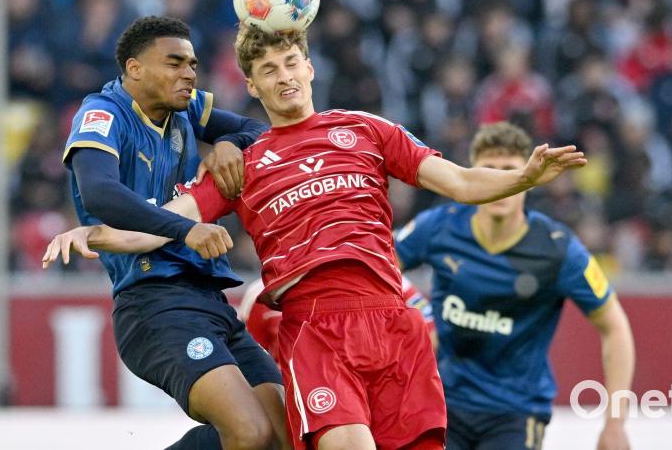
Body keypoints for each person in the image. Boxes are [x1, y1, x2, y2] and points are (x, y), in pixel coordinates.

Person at [45, 24, 586, 450]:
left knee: (273, 436)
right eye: (266, 70)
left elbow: (462, 182)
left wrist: (523, 178)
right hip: (317, 331)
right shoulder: (244, 166)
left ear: (309, 67)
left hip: (395, 324)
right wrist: (94, 234)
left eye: (289, 63)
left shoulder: (369, 130)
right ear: (252, 86)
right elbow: (166, 223)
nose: (283, 77)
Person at [61, 16, 288, 450]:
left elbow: (258, 132)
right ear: (134, 68)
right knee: (249, 433)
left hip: (210, 302)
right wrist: (186, 230)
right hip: (153, 304)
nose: (188, 74)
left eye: (193, 65)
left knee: (285, 438)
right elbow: (100, 193)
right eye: (175, 63)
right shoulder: (103, 113)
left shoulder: (186, 108)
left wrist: (228, 144)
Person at [393, 122, 635, 450]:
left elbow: (615, 328)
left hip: (516, 412)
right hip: (442, 402)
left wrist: (615, 424)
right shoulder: (439, 225)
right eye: (488, 170)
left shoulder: (557, 249)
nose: (498, 180)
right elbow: (375, 264)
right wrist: (420, 312)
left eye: (508, 170)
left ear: (528, 179)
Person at [236, 275, 435, 364]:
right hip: (290, 403)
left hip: (378, 399)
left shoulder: (397, 283)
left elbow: (430, 338)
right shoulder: (261, 293)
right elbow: (251, 362)